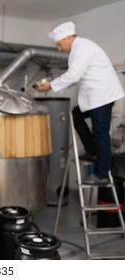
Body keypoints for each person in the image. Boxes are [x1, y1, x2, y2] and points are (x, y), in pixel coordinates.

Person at [37, 21, 124, 185]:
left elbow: (74, 75)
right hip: (96, 96)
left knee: (101, 134)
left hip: (102, 96)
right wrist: (52, 86)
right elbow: (74, 77)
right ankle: (92, 150)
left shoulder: (83, 48)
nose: (59, 48)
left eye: (59, 44)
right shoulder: (79, 49)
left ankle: (102, 174)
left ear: (69, 37)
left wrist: (51, 85)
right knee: (75, 115)